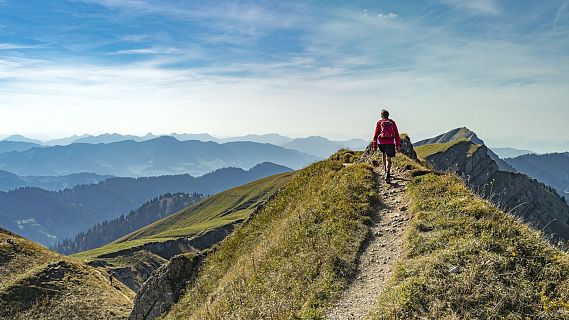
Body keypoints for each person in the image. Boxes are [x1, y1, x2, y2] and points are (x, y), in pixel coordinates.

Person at [372, 109, 401, 182]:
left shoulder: (379, 122)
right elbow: (397, 134)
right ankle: (388, 173)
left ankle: (385, 170)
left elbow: (375, 135)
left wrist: (374, 145)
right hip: (390, 143)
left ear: (381, 115)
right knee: (389, 158)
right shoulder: (392, 122)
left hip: (382, 143)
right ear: (388, 115)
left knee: (383, 154)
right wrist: (397, 145)